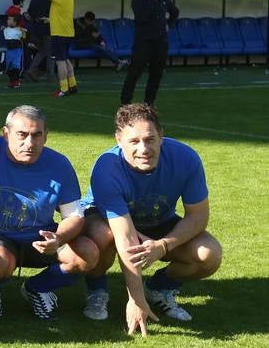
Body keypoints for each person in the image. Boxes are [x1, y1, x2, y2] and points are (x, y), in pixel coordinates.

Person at [79, 104, 222, 332]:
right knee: (103, 236)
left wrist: (163, 246)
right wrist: (135, 300)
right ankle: (97, 290)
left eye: (150, 139)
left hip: (158, 222)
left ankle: (158, 288)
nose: (144, 149)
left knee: (209, 255)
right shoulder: (107, 167)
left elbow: (198, 217)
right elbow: (125, 237)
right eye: (134, 141)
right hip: (106, 220)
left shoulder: (185, 158)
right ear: (118, 140)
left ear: (161, 136)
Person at [0, 106, 96, 320]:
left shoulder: (59, 164)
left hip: (40, 238)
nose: (29, 143)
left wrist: (58, 238)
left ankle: (37, 288)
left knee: (87, 253)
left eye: (37, 135)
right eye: (22, 135)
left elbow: (74, 216)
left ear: (46, 136)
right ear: (5, 133)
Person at [120, 0, 178, 105]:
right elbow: (142, 18)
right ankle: (125, 102)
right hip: (143, 43)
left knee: (156, 74)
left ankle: (149, 102)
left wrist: (169, 23)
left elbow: (175, 12)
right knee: (134, 73)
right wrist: (151, 1)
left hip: (161, 43)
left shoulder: (164, 0)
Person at [37, 0, 77, 98]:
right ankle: (73, 85)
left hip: (59, 34)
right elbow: (62, 15)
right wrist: (50, 20)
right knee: (65, 60)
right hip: (68, 33)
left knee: (60, 62)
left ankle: (64, 89)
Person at [2, 14, 25, 88]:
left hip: (17, 50)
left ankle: (16, 81)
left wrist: (24, 32)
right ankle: (12, 81)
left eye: (9, 19)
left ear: (15, 22)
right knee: (8, 66)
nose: (7, 20)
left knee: (15, 65)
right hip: (9, 50)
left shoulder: (19, 30)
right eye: (8, 19)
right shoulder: (6, 29)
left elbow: (24, 36)